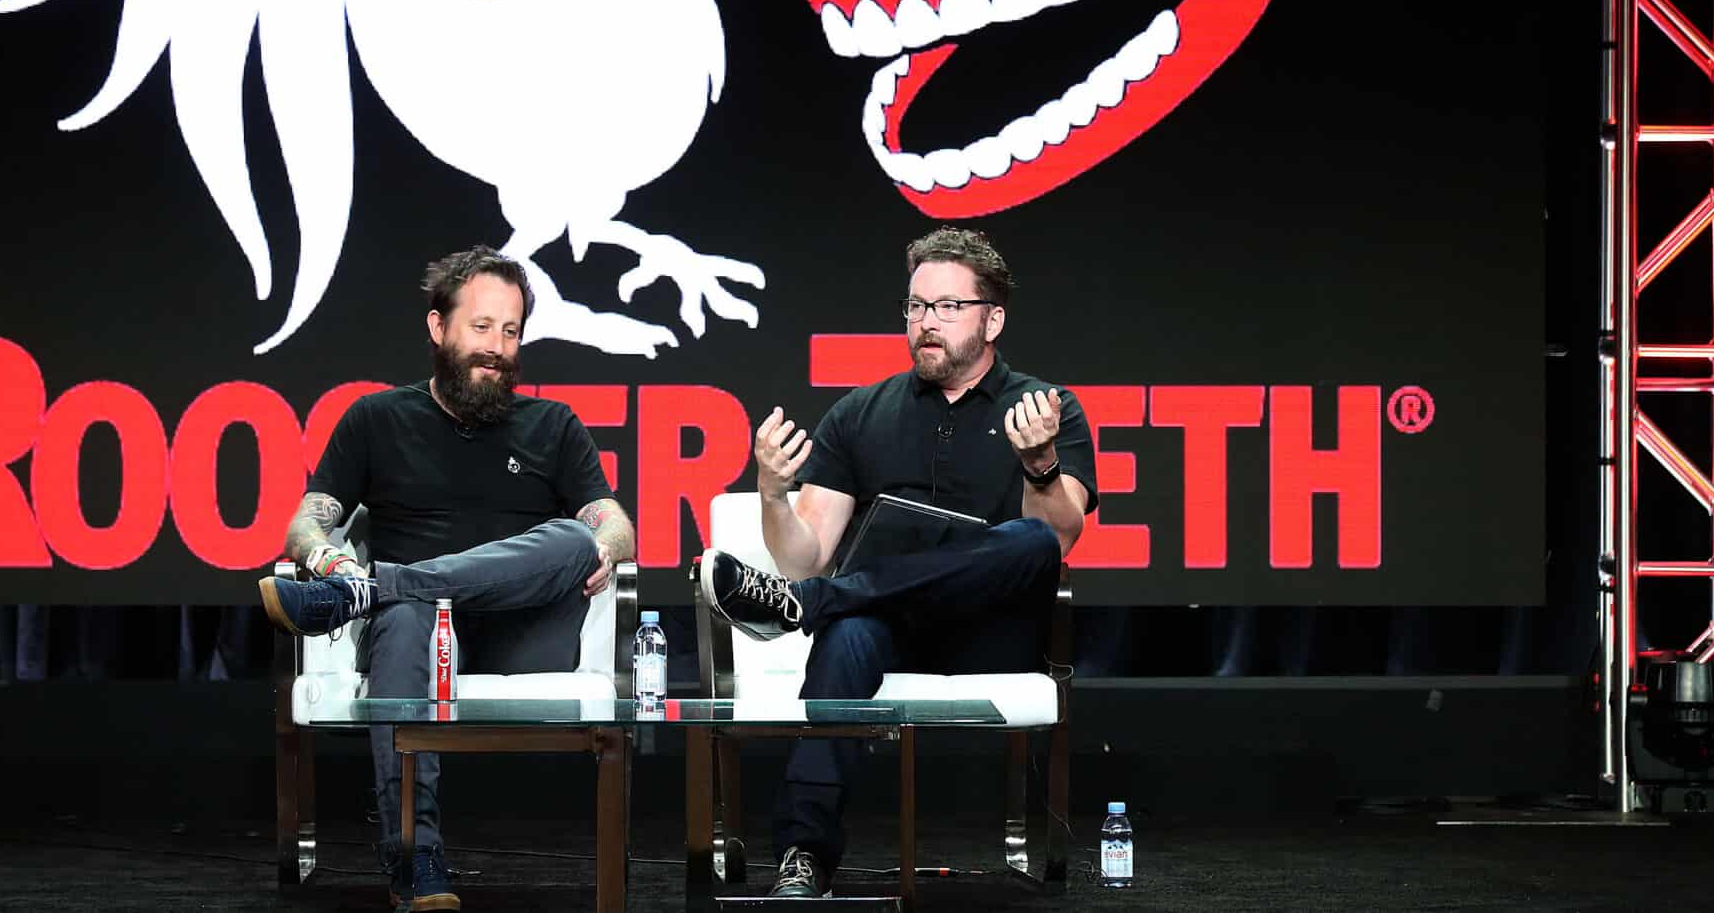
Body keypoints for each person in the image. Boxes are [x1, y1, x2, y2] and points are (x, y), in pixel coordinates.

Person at [699, 227, 1096, 898]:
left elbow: (1062, 538)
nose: (925, 324)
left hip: (992, 635)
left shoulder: (1044, 409)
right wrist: (772, 491)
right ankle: (804, 855)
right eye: (915, 307)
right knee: (847, 627)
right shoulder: (861, 412)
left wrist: (1041, 466)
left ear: (992, 318)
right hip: (888, 627)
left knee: (1030, 543)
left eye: (946, 307)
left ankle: (823, 607)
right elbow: (806, 555)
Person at [257, 246, 635, 913]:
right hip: (421, 639)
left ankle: (376, 587)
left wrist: (603, 544)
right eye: (481, 326)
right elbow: (305, 527)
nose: (497, 347)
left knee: (575, 538)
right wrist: (328, 562)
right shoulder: (376, 419)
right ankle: (415, 851)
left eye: (511, 331)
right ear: (438, 328)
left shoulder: (553, 425)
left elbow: (614, 523)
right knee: (409, 615)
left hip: (525, 632)